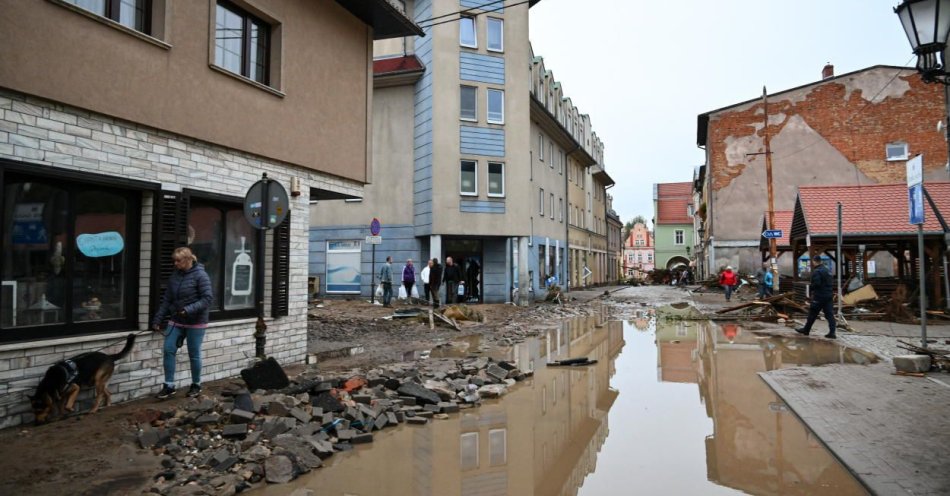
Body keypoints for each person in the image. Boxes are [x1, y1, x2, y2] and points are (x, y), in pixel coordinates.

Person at [151, 247, 213, 399]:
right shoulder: (175, 277)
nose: (175, 264)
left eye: (178, 261)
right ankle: (169, 385)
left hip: (196, 321)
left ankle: (196, 385)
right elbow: (167, 300)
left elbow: (207, 299)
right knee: (168, 349)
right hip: (177, 320)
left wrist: (189, 309)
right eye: (175, 261)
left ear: (187, 260)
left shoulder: (201, 275)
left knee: (194, 354)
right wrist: (158, 319)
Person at [796, 257, 837, 339]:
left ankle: (806, 330)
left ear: (814, 262)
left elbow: (816, 284)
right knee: (830, 314)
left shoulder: (817, 271)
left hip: (819, 296)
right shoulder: (828, 271)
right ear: (821, 261)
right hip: (828, 295)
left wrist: (810, 289)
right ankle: (832, 333)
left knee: (812, 313)